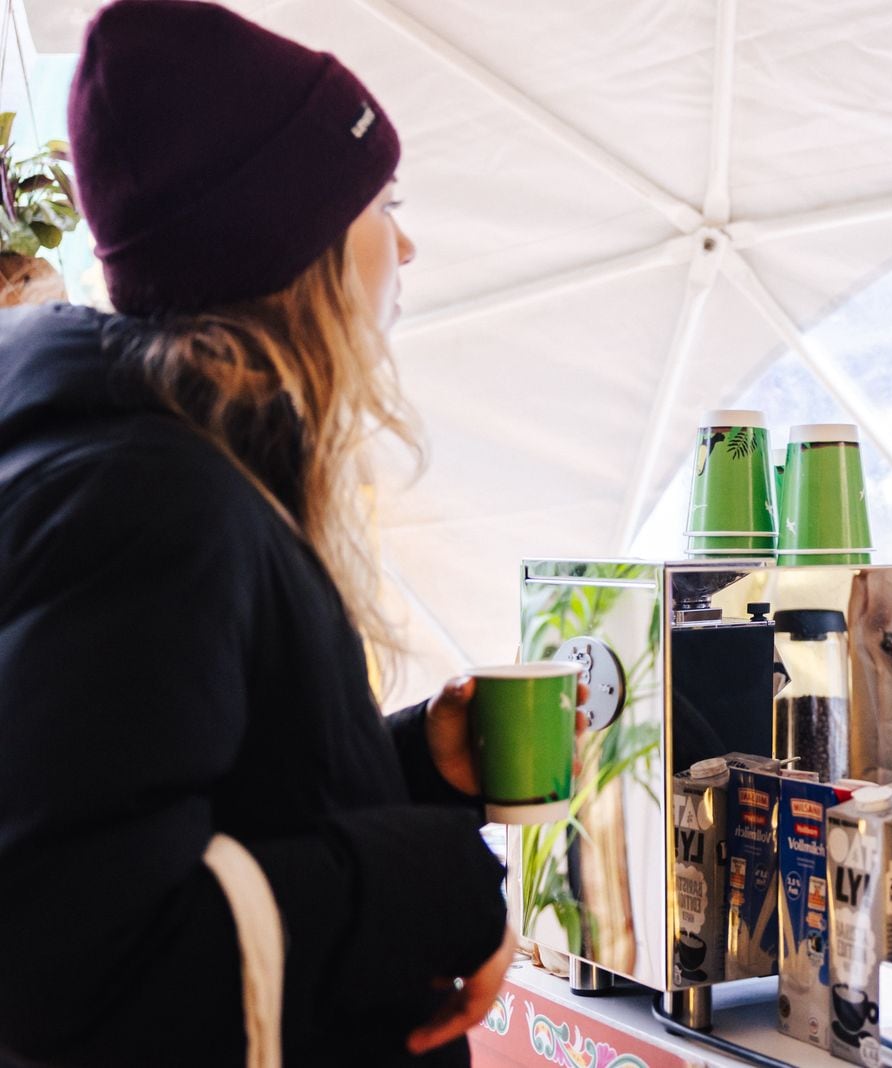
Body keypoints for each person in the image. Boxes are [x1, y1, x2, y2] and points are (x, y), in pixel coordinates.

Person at [0, 3, 567, 1064]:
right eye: (380, 205)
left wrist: (404, 767)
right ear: (294, 246)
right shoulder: (152, 503)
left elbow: (176, 810)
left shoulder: (154, 468)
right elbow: (73, 960)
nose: (406, 243)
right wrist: (434, 884)